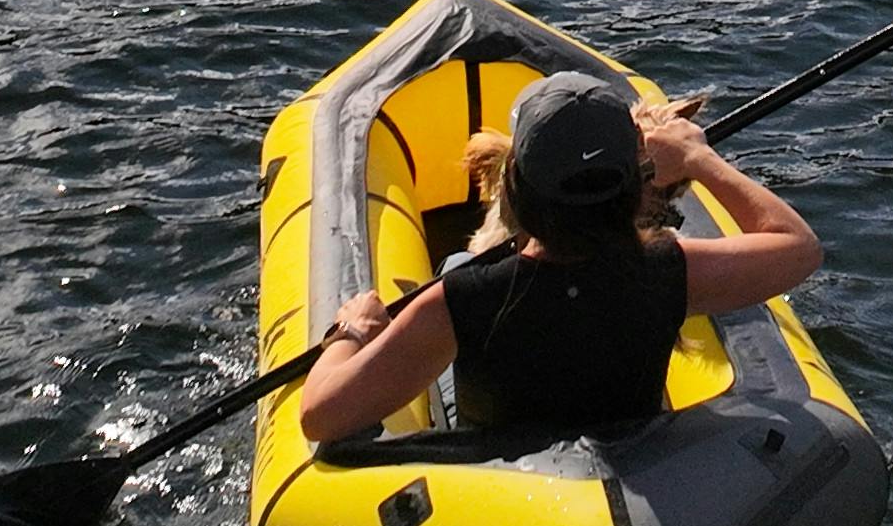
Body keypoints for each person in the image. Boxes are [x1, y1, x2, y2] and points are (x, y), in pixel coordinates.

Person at [295, 71, 819, 448]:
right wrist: (700, 159)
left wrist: (351, 331)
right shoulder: (670, 269)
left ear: (513, 193)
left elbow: (320, 416)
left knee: (455, 262)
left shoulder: (460, 299)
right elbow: (798, 247)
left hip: (503, 476)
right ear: (639, 193)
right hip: (634, 457)